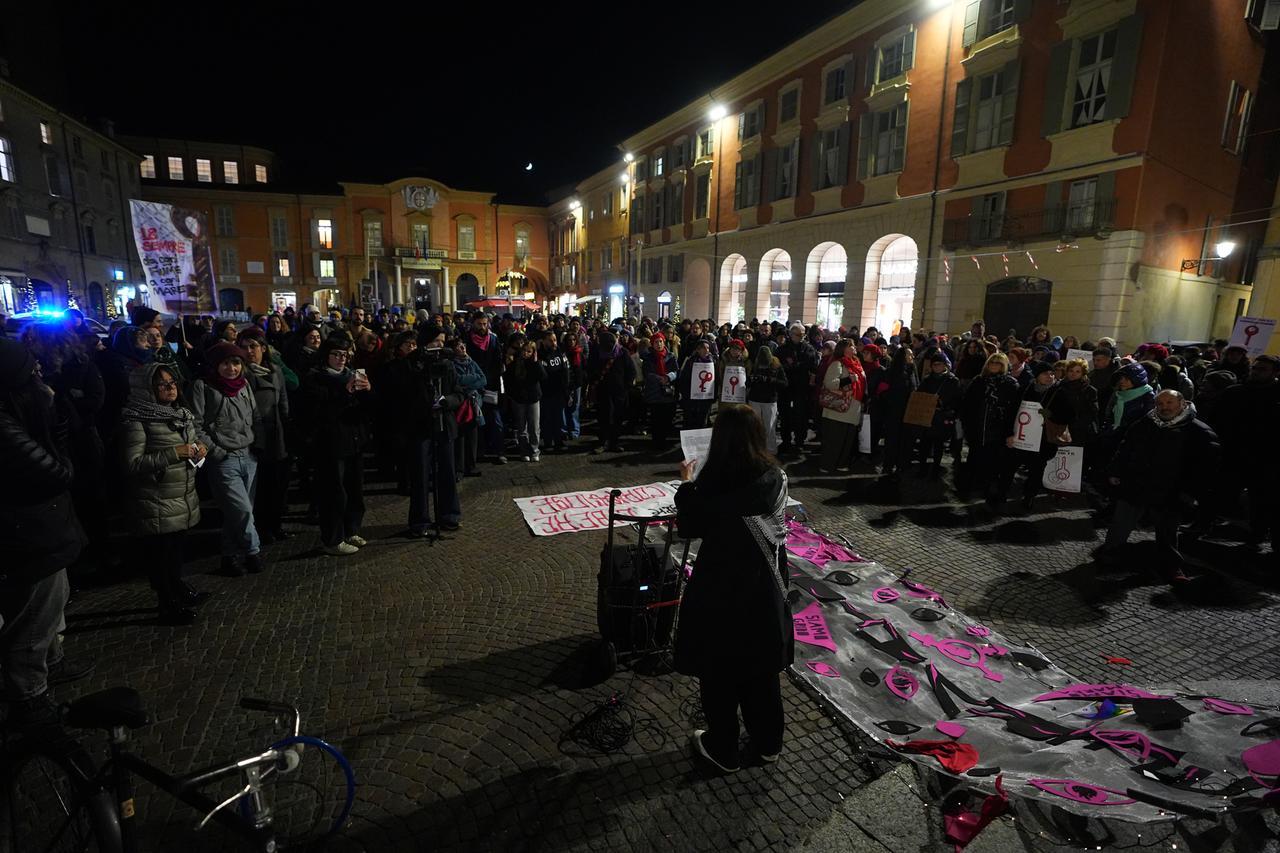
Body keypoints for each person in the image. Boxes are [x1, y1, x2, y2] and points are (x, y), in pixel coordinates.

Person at [674, 404, 791, 774]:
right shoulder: (775, 477)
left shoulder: (713, 486)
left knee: (719, 671)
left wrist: (686, 484)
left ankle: (722, 748)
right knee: (761, 670)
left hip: (721, 588)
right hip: (765, 587)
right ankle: (768, 744)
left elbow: (689, 525)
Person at [0, 338, 88, 730]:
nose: (42, 377)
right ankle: (29, 697)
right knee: (33, 620)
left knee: (51, 605)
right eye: (33, 372)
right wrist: (58, 429)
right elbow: (56, 473)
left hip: (40, 532)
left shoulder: (19, 414)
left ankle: (51, 664)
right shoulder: (6, 426)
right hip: (28, 537)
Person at [118, 363, 210, 625]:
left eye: (172, 382)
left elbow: (190, 443)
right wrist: (174, 453)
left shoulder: (180, 414)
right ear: (146, 388)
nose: (170, 388)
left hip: (180, 494)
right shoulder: (136, 420)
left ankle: (178, 589)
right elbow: (132, 464)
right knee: (161, 556)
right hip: (155, 499)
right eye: (162, 384)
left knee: (175, 553)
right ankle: (168, 604)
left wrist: (199, 448)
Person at [1095, 390, 1219, 582]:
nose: (1164, 407)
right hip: (1136, 484)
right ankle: (1109, 556)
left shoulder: (1198, 431)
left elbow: (1205, 466)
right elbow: (1125, 448)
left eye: (1169, 402)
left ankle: (1171, 566)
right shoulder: (1144, 424)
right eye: (1160, 403)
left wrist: (1191, 492)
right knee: (1121, 524)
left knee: (1167, 531)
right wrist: (1115, 471)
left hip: (1171, 490)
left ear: (1182, 404)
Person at [190, 342, 263, 576]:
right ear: (215, 365)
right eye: (225, 363)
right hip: (224, 459)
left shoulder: (244, 385)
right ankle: (253, 552)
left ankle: (229, 556)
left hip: (248, 455)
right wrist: (216, 451)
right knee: (242, 511)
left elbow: (255, 415)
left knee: (238, 512)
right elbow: (195, 424)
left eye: (236, 363)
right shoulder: (203, 386)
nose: (231, 368)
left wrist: (257, 443)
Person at [387, 328, 462, 535]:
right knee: (420, 475)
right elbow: (402, 396)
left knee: (447, 472)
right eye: (436, 341)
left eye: (443, 341)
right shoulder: (410, 364)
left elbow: (459, 392)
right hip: (420, 427)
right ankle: (419, 521)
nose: (440, 345)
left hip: (444, 426)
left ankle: (449, 515)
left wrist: (448, 401)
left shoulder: (448, 364)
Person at [304, 336, 374, 555]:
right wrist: (345, 393)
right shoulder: (316, 378)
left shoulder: (351, 375)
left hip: (354, 440)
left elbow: (367, 410)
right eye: (336, 354)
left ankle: (351, 530)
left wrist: (368, 391)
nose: (341, 359)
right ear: (326, 355)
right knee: (334, 492)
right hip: (331, 443)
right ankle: (333, 539)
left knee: (355, 489)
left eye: (345, 354)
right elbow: (318, 412)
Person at [237, 328, 291, 544]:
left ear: (263, 348)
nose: (249, 351)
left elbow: (283, 399)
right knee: (260, 486)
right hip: (255, 434)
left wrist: (286, 425)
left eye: (253, 346)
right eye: (244, 347)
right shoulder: (241, 374)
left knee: (277, 483)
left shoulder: (275, 370)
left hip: (276, 433)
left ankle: (276, 524)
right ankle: (262, 527)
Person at [958, 353, 1021, 502]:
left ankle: (987, 488)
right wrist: (967, 424)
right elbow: (967, 403)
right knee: (974, 457)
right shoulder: (979, 381)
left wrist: (1010, 431)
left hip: (998, 429)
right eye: (992, 362)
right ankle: (972, 485)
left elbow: (1013, 410)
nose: (994, 366)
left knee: (993, 460)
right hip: (977, 428)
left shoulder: (1010, 384)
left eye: (998, 363)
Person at [818, 339, 866, 473]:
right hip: (838, 409)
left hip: (853, 408)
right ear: (843, 349)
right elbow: (830, 383)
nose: (854, 347)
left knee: (847, 440)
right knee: (835, 439)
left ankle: (841, 463)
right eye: (851, 346)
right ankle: (827, 465)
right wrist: (848, 379)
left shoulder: (857, 363)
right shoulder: (838, 363)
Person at [465, 313, 506, 464]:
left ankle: (499, 451)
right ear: (473, 324)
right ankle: (479, 451)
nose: (482, 327)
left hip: (491, 386)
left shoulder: (493, 339)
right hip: (474, 387)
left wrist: (493, 381)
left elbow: (498, 362)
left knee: (495, 420)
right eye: (479, 324)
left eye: (484, 324)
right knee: (477, 420)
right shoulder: (467, 340)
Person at [588, 330, 635, 454]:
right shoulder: (597, 353)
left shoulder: (622, 352)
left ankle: (614, 442)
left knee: (617, 417)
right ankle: (603, 442)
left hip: (619, 392)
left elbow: (631, 371)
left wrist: (626, 386)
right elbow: (590, 368)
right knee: (603, 417)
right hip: (603, 391)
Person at [776, 324, 820, 454]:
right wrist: (791, 366)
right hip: (786, 387)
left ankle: (799, 441)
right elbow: (778, 365)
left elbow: (812, 365)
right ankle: (786, 440)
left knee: (801, 415)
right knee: (785, 415)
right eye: (798, 334)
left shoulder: (808, 349)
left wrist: (795, 365)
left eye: (803, 334)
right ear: (790, 335)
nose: (801, 337)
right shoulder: (782, 349)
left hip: (801, 387)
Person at [451, 336, 486, 479]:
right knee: (460, 438)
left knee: (472, 436)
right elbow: (457, 381)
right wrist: (473, 378)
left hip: (473, 403)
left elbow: (483, 379)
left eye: (463, 345)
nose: (463, 348)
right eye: (459, 346)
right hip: (460, 404)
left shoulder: (471, 361)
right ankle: (459, 469)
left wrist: (468, 382)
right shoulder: (452, 364)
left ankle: (471, 465)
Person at [505, 336, 545, 462]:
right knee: (521, 427)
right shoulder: (515, 363)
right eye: (524, 350)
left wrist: (536, 362)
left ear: (533, 352)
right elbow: (508, 379)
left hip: (533, 398)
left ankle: (534, 450)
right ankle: (524, 451)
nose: (525, 353)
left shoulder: (535, 364)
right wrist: (513, 395)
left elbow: (543, 376)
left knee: (534, 426)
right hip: (519, 398)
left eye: (529, 351)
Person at [747, 344, 788, 453]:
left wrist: (769, 379)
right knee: (755, 426)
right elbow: (747, 382)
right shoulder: (756, 365)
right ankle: (757, 449)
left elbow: (784, 383)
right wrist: (751, 379)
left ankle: (770, 450)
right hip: (755, 398)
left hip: (769, 399)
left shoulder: (776, 365)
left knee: (769, 426)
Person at [642, 332, 679, 448]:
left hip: (668, 392)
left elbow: (676, 371)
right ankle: (656, 441)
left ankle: (664, 440)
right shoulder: (648, 358)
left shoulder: (670, 356)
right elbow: (647, 373)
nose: (658, 344)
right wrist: (660, 379)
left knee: (667, 418)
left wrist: (668, 377)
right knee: (656, 418)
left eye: (660, 341)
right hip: (654, 392)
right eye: (656, 342)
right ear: (652, 344)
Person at [679, 338, 716, 432]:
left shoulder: (713, 361)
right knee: (690, 421)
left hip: (705, 398)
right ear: (698, 349)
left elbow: (716, 379)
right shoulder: (690, 361)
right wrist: (685, 394)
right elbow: (684, 378)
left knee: (702, 421)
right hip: (691, 398)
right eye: (703, 348)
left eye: (708, 348)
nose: (706, 350)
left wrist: (714, 395)